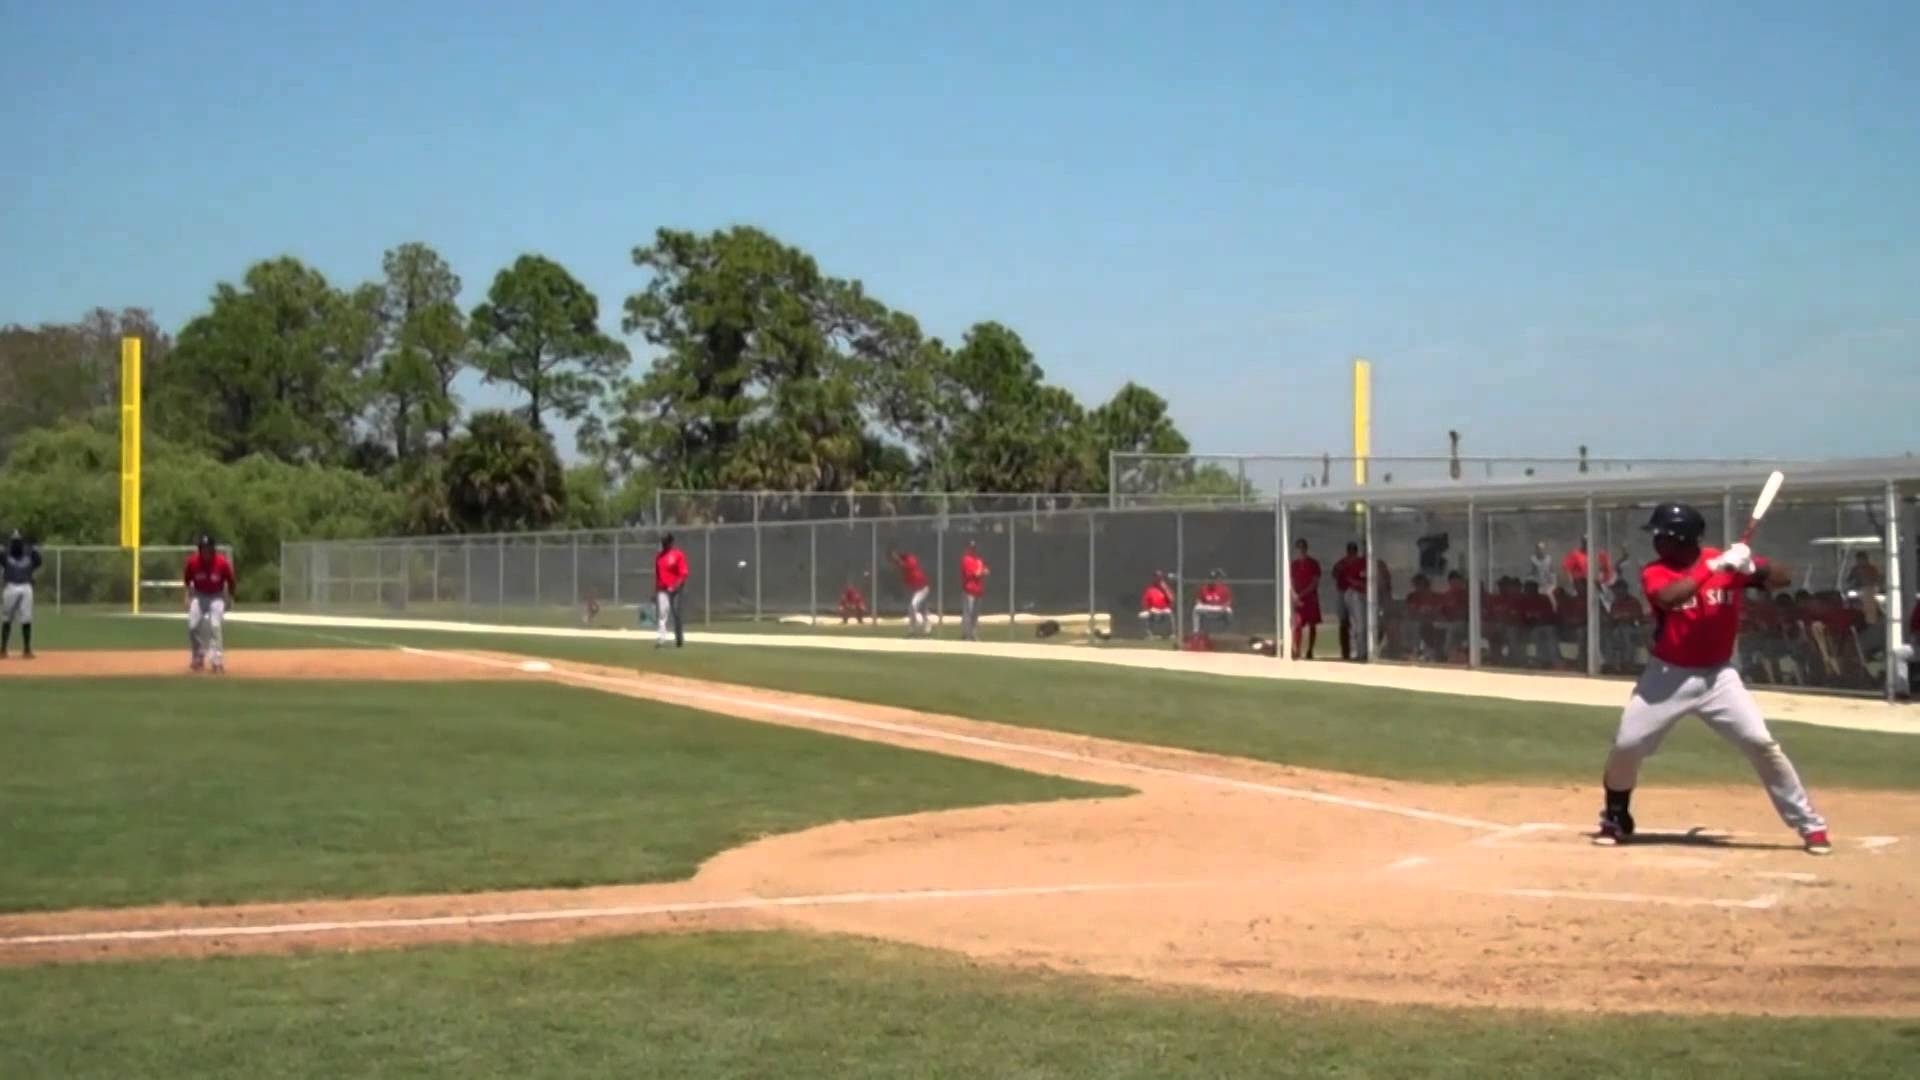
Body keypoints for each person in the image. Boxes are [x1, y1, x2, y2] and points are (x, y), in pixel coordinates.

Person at [1594, 502, 1830, 855]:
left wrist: (1754, 568)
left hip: (1719, 677)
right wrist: (1713, 567)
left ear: (1680, 538)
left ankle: (1809, 824)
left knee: (1761, 743)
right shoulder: (1657, 571)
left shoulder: (1726, 562)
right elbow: (1670, 598)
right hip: (1666, 677)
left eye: (1661, 535)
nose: (1656, 541)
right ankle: (1616, 815)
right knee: (1627, 745)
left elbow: (1785, 577)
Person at [183, 534, 236, 673]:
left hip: (216, 597)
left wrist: (229, 598)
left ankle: (216, 661)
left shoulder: (222, 563)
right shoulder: (193, 562)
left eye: (208, 548)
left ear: (213, 549)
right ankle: (198, 655)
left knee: (215, 627)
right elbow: (187, 580)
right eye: (203, 548)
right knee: (192, 626)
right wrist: (187, 596)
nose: (206, 551)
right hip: (199, 595)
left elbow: (231, 581)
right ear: (200, 549)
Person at [2, 530, 42, 659]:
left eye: (18, 540)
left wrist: (36, 551)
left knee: (26, 618)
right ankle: (3, 649)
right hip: (11, 586)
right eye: (14, 540)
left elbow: (38, 562)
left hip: (26, 586)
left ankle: (26, 650)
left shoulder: (29, 552)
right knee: (7, 618)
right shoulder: (5, 553)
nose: (16, 543)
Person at [653, 534, 689, 649]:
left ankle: (679, 638)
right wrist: (656, 590)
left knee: (676, 613)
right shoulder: (659, 557)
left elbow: (683, 573)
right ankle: (661, 638)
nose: (664, 544)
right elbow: (658, 576)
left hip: (676, 589)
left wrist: (675, 586)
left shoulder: (678, 555)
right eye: (663, 542)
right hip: (663, 589)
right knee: (662, 613)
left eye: (666, 542)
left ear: (671, 543)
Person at [1291, 540, 1324, 659]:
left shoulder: (1313, 563)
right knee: (1297, 624)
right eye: (1298, 547)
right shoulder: (1294, 564)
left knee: (1312, 624)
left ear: (1306, 548)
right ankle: (1297, 650)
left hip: (1310, 598)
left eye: (1303, 547)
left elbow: (1315, 582)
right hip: (1298, 599)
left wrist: (1303, 594)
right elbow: (1291, 581)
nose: (1301, 550)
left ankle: (1310, 650)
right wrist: (1294, 595)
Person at [890, 548, 931, 638]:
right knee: (923, 610)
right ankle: (923, 630)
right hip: (916, 588)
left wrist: (898, 560)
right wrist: (897, 560)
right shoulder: (900, 563)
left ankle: (915, 628)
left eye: (896, 554)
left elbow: (908, 566)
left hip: (922, 587)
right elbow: (901, 569)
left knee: (913, 606)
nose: (894, 557)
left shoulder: (910, 558)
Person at [959, 541, 990, 641]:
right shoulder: (966, 559)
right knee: (968, 613)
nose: (973, 549)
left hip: (978, 590)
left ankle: (974, 634)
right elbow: (975, 574)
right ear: (968, 548)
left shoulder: (979, 559)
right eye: (971, 547)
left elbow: (986, 570)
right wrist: (981, 571)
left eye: (975, 547)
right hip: (969, 590)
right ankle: (966, 635)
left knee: (975, 615)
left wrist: (982, 571)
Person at [1192, 570, 1233, 634]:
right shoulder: (1204, 588)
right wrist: (1199, 603)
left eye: (1213, 579)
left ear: (1216, 580)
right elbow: (1198, 599)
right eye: (1210, 579)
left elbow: (1229, 601)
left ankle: (1227, 629)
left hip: (1219, 607)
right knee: (1196, 608)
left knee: (1229, 610)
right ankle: (1196, 632)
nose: (1212, 581)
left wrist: (1225, 606)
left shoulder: (1224, 588)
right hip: (1208, 607)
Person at [1139, 572, 1174, 639]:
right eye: (1156, 577)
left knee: (1170, 614)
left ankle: (1171, 634)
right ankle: (1149, 635)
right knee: (1144, 615)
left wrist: (1165, 589)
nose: (1158, 579)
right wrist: (1147, 609)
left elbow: (1171, 600)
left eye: (1159, 578)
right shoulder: (1150, 589)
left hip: (1164, 609)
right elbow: (1145, 601)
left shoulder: (1166, 589)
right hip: (1153, 610)